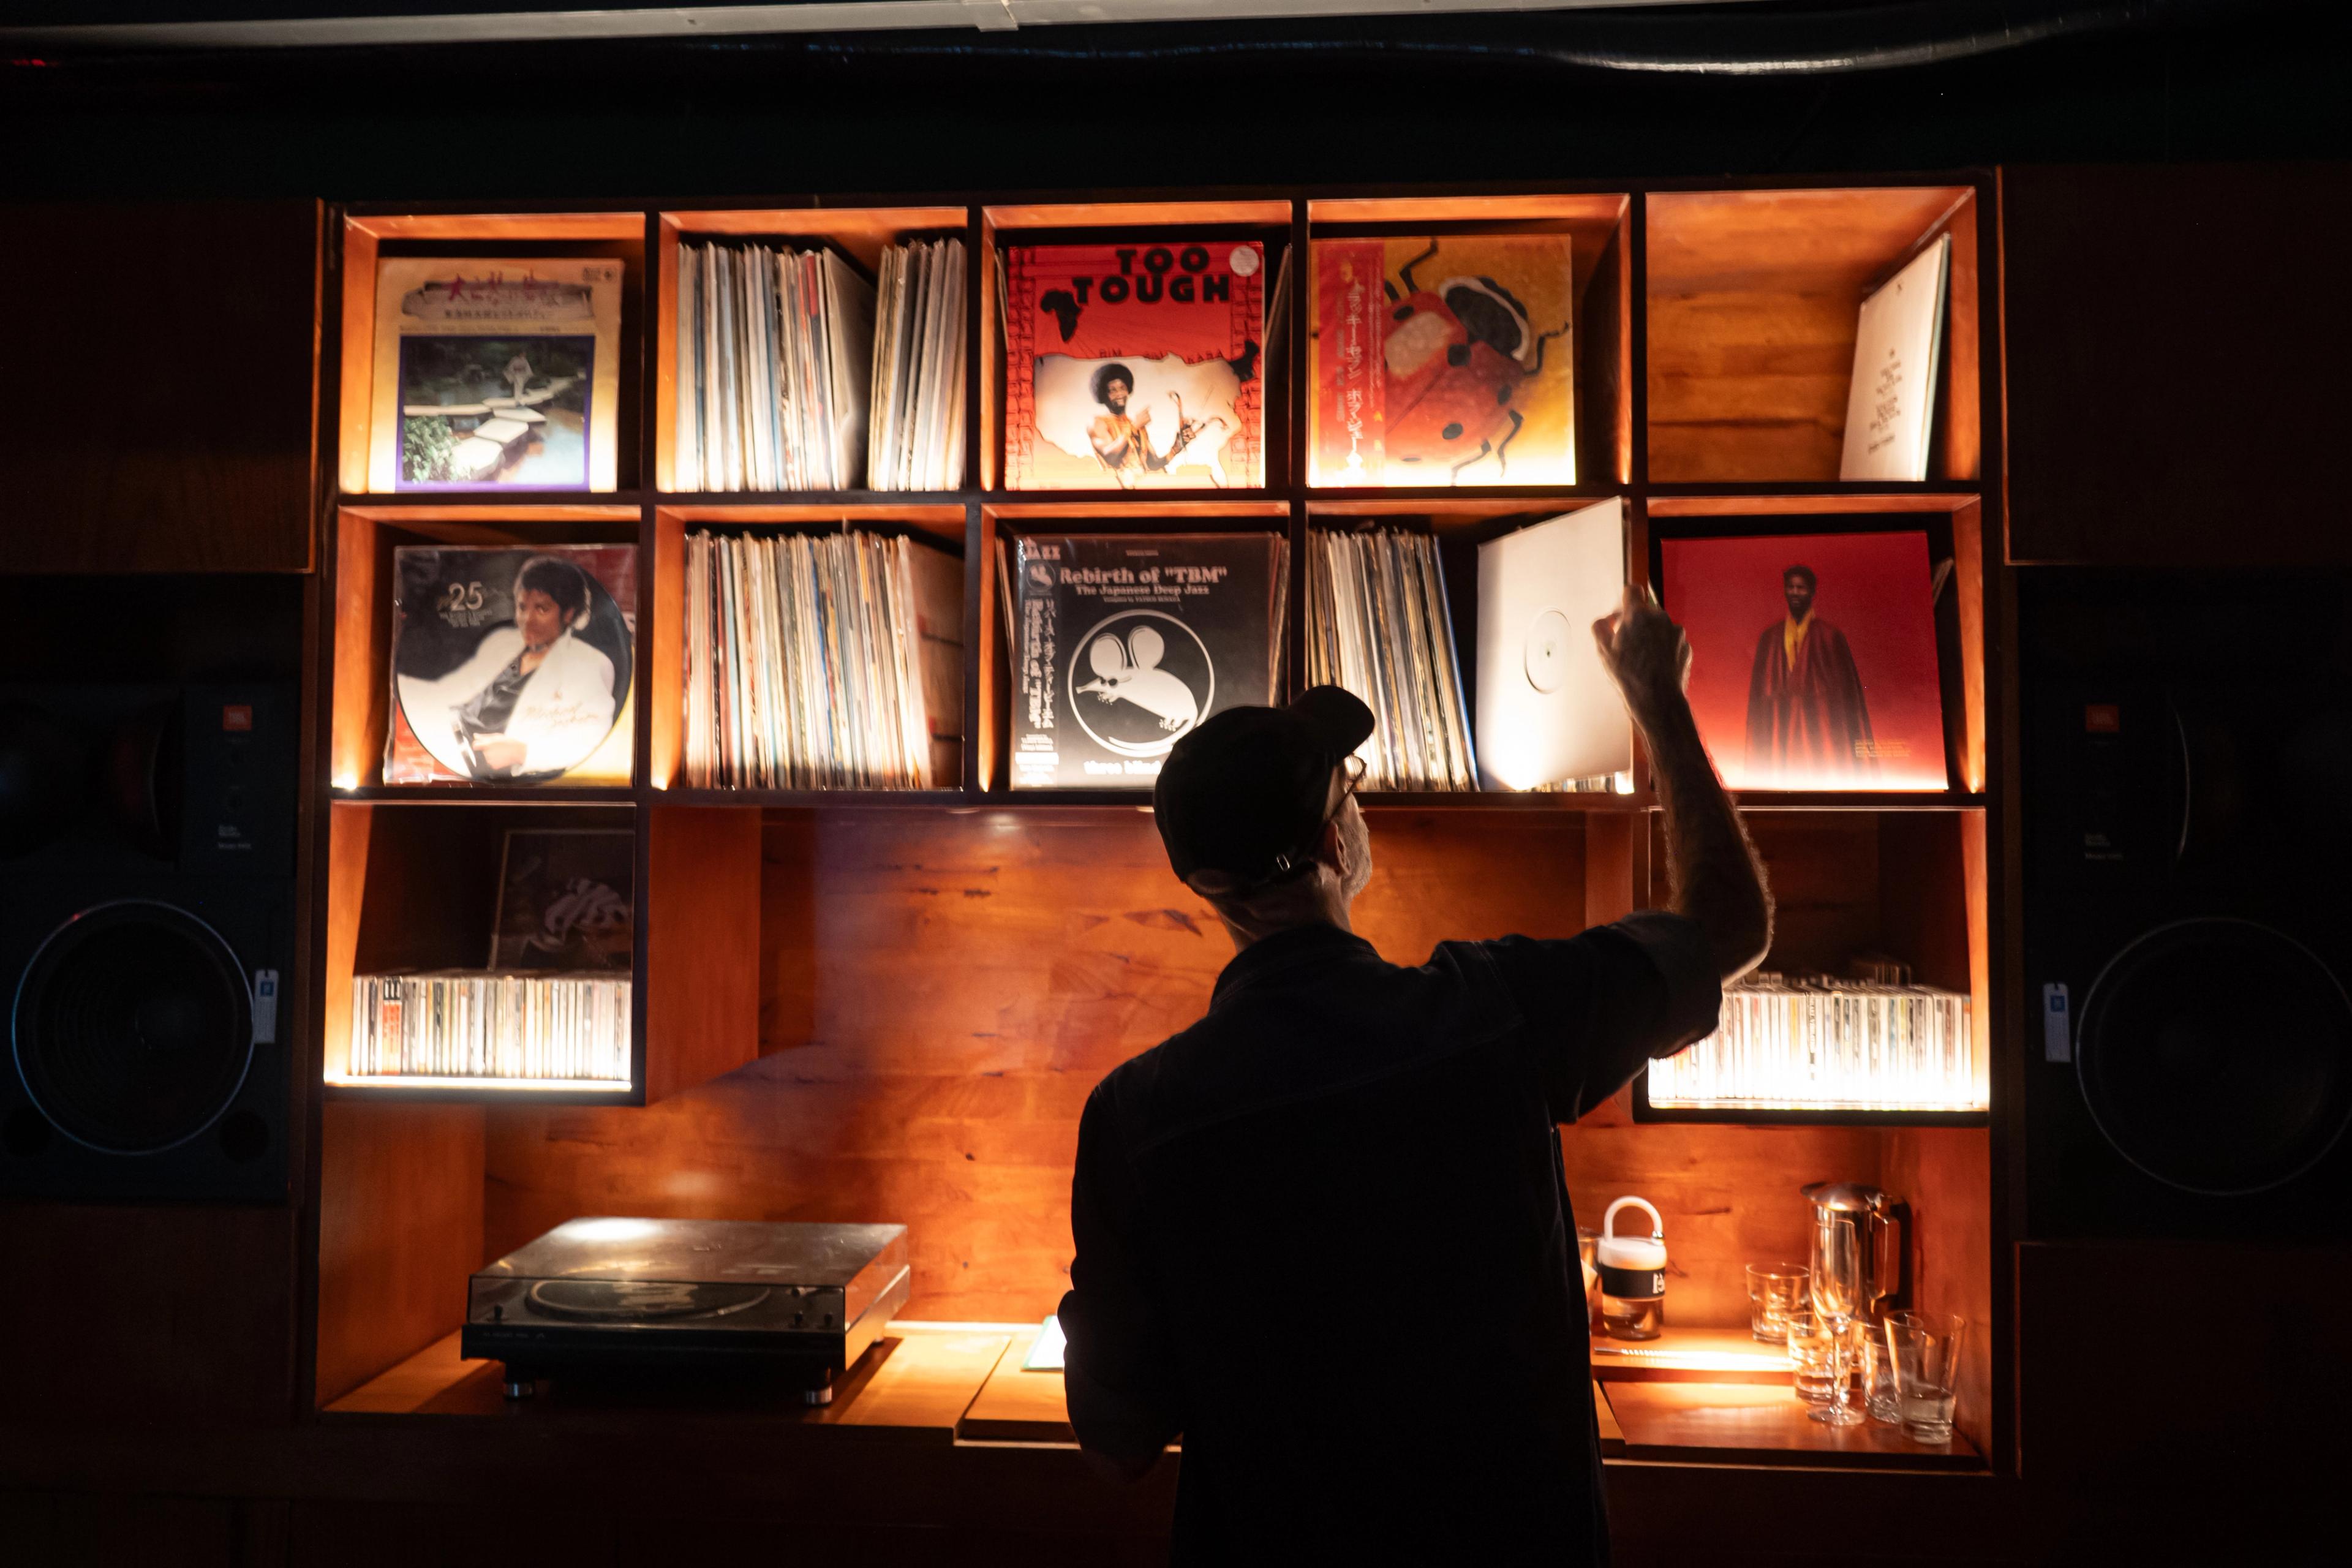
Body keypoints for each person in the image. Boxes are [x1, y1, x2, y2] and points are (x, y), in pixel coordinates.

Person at [1058, 585, 1773, 1563]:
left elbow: (1116, 1441)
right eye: (1350, 790)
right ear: (1334, 843)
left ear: (1199, 884)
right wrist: (1657, 699)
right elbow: (1731, 928)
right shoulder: (1494, 1012)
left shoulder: (1136, 1119)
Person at [396, 555, 618, 781]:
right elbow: (451, 689)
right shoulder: (502, 642)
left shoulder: (590, 663)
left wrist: (522, 753)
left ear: (569, 613)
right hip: (452, 752)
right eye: (522, 607)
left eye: (542, 609)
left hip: (503, 777)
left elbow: (592, 734)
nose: (527, 619)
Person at [1745, 563, 1873, 783]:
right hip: (1781, 726)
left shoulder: (1830, 637)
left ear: (1812, 593)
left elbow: (1846, 699)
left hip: (1821, 732)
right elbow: (1760, 700)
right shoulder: (1770, 638)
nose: (1795, 592)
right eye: (1790, 587)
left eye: (1801, 588)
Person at [1087, 363, 1154, 484]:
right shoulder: (1098, 423)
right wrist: (1134, 427)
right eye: (1113, 391)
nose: (1119, 394)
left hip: (1142, 491)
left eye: (1123, 388)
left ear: (1128, 390)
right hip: (1113, 492)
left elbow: (1153, 463)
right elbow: (1110, 455)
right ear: (1104, 395)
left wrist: (1178, 445)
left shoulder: (1137, 424)